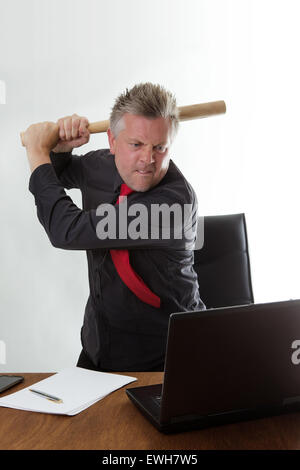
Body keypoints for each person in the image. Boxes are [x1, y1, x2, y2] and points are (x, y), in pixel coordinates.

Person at [23, 82, 205, 372]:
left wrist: (37, 151)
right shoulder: (101, 165)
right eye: (136, 144)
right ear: (112, 141)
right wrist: (58, 150)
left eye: (160, 147)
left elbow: (67, 229)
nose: (148, 160)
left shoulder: (173, 206)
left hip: (163, 359)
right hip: (99, 346)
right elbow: (54, 176)